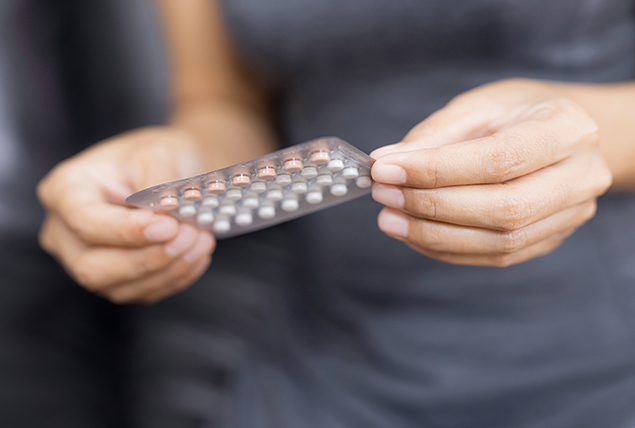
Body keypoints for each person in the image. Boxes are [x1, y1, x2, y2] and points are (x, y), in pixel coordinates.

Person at [35, 0, 635, 426]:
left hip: (600, 376)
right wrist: (174, 160)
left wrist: (590, 133)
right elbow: (221, 100)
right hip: (326, 371)